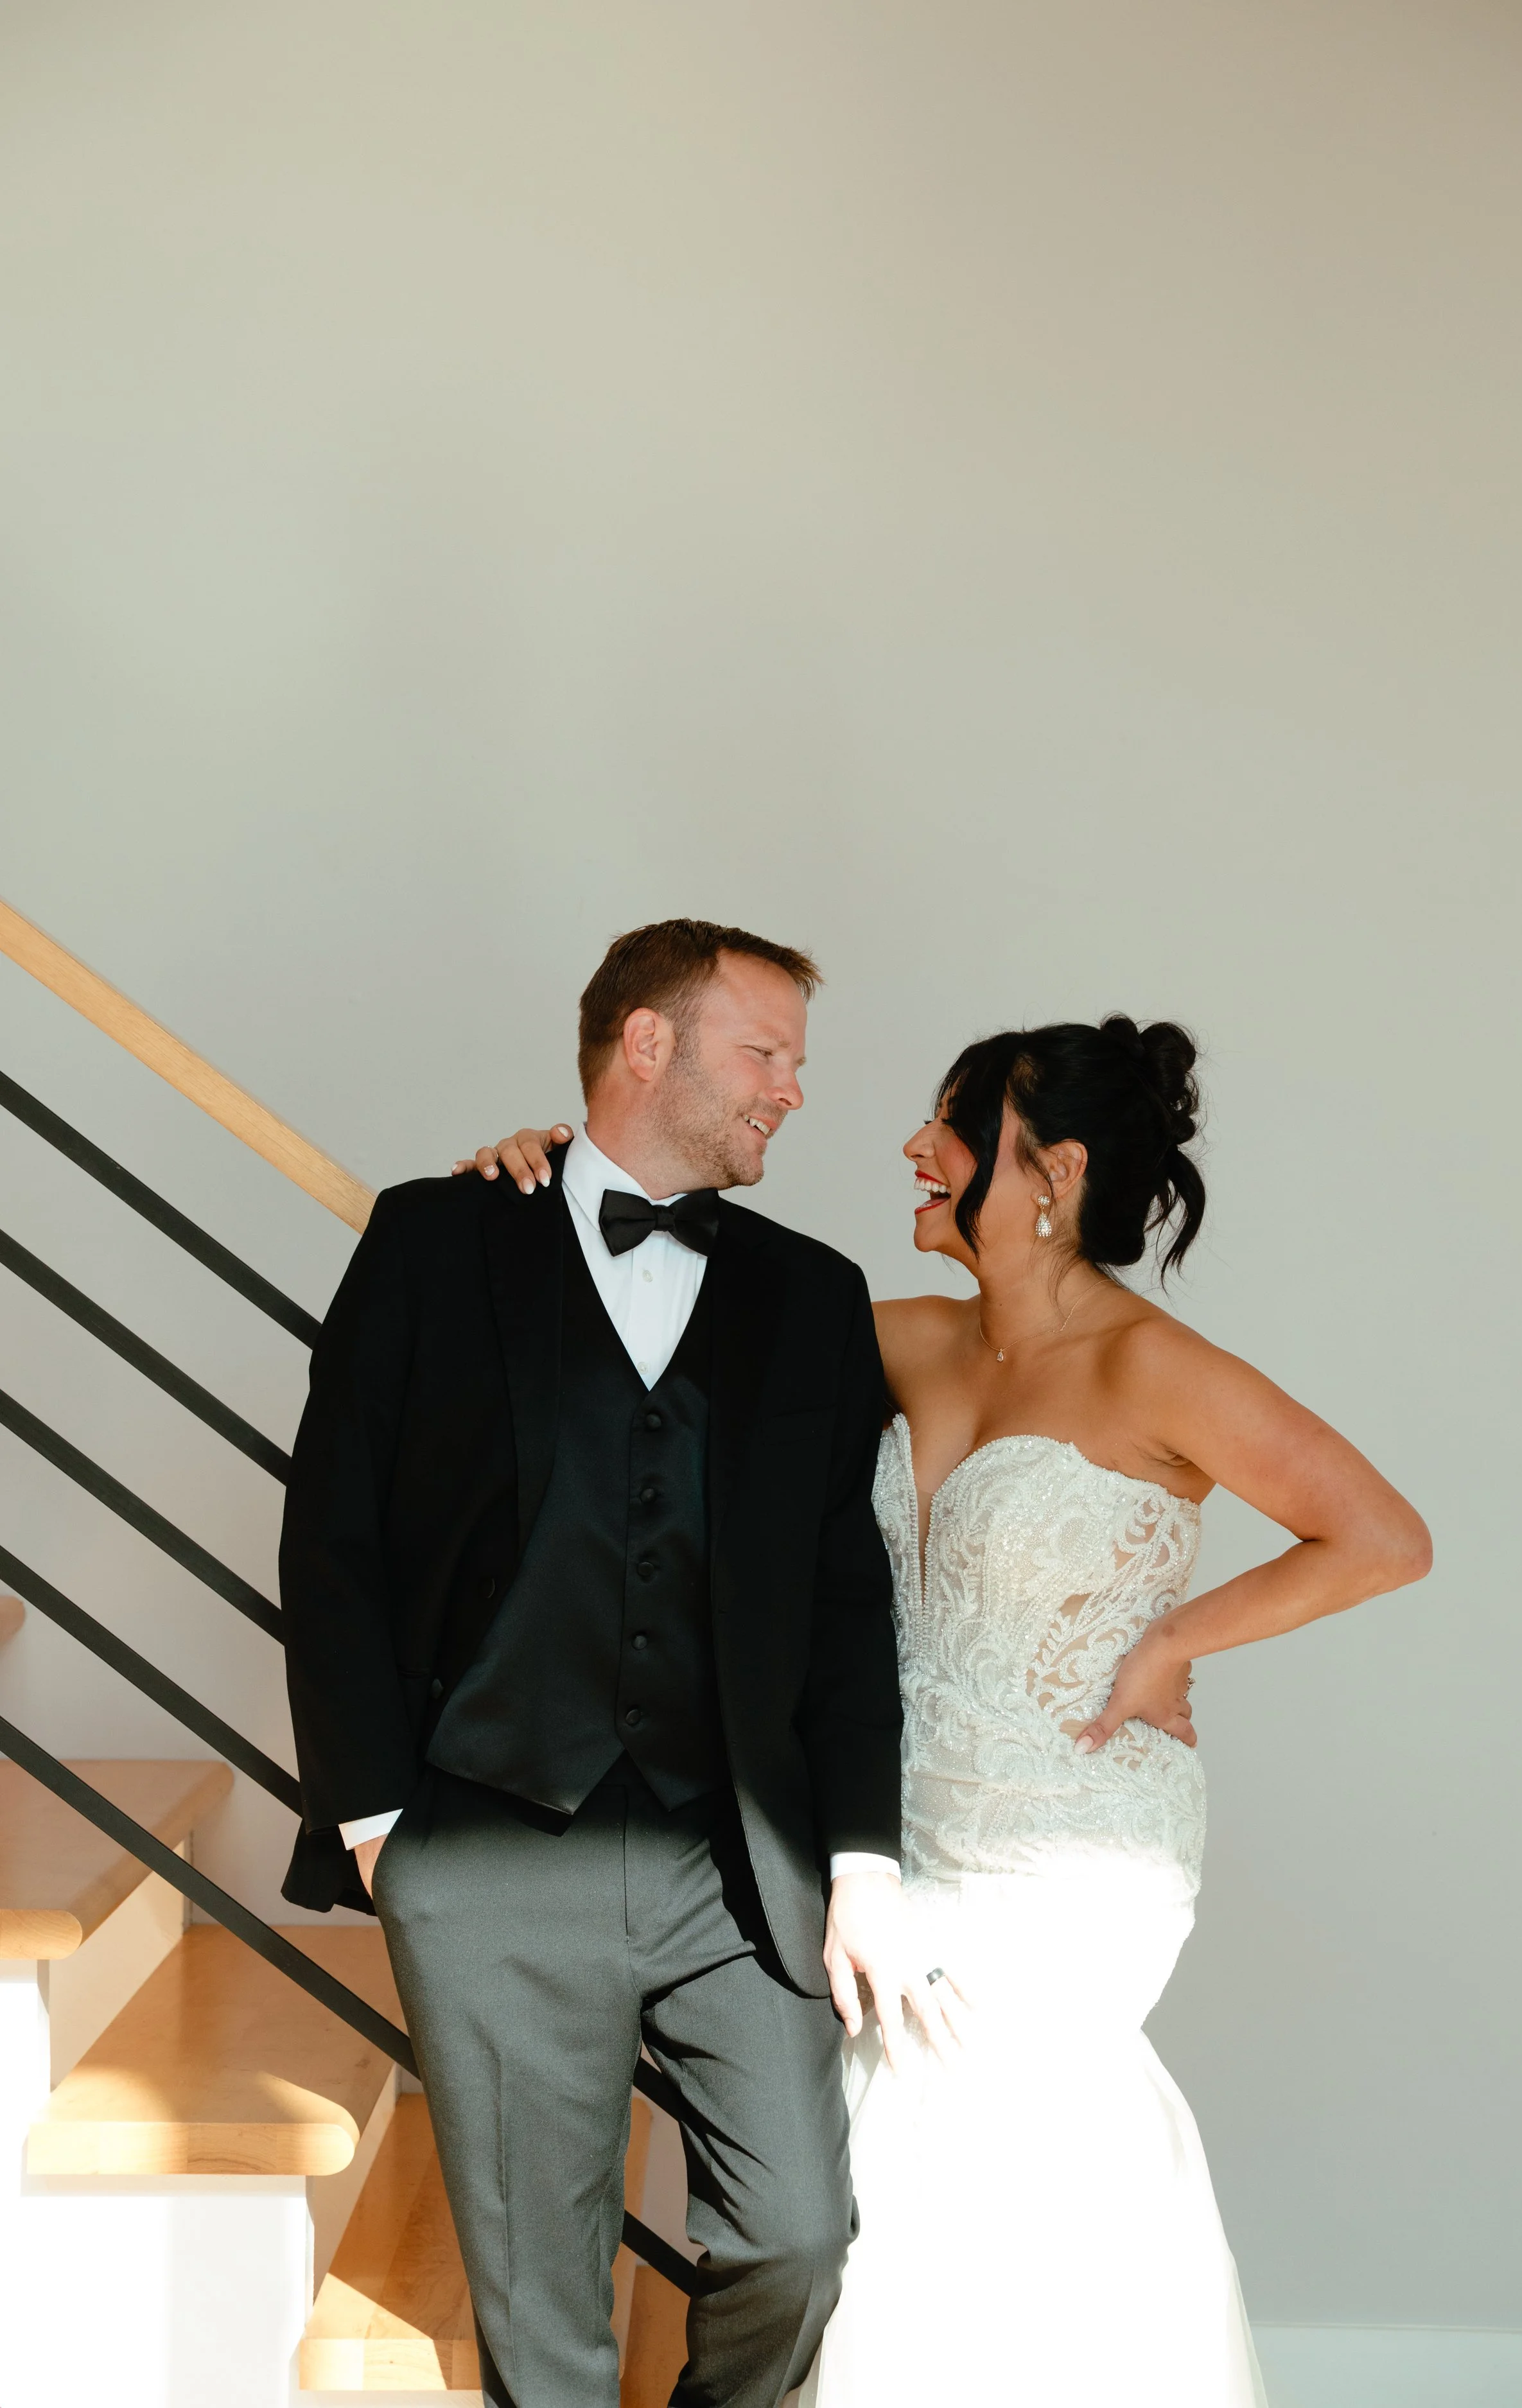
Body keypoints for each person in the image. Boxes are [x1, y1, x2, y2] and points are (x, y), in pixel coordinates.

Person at [465, 1013, 1431, 2407]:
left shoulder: (1153, 1368)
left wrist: (1171, 1641)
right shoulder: (903, 1340)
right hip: (894, 1832)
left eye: (952, 1132)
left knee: (970, 2154)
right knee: (871, 2160)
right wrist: (559, 1178)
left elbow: (1380, 1537)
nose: (912, 1149)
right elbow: (664, 1303)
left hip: (1072, 1842)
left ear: (1050, 1172)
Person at [278, 920, 954, 2408]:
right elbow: (332, 1542)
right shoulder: (435, 1237)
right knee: (540, 2292)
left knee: (795, 2240)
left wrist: (862, 1858)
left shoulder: (812, 1294)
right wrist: (383, 1825)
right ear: (646, 1042)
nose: (789, 1090)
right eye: (762, 1053)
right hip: (486, 1839)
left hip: (738, 1858)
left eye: (795, 1062)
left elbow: (846, 1599)